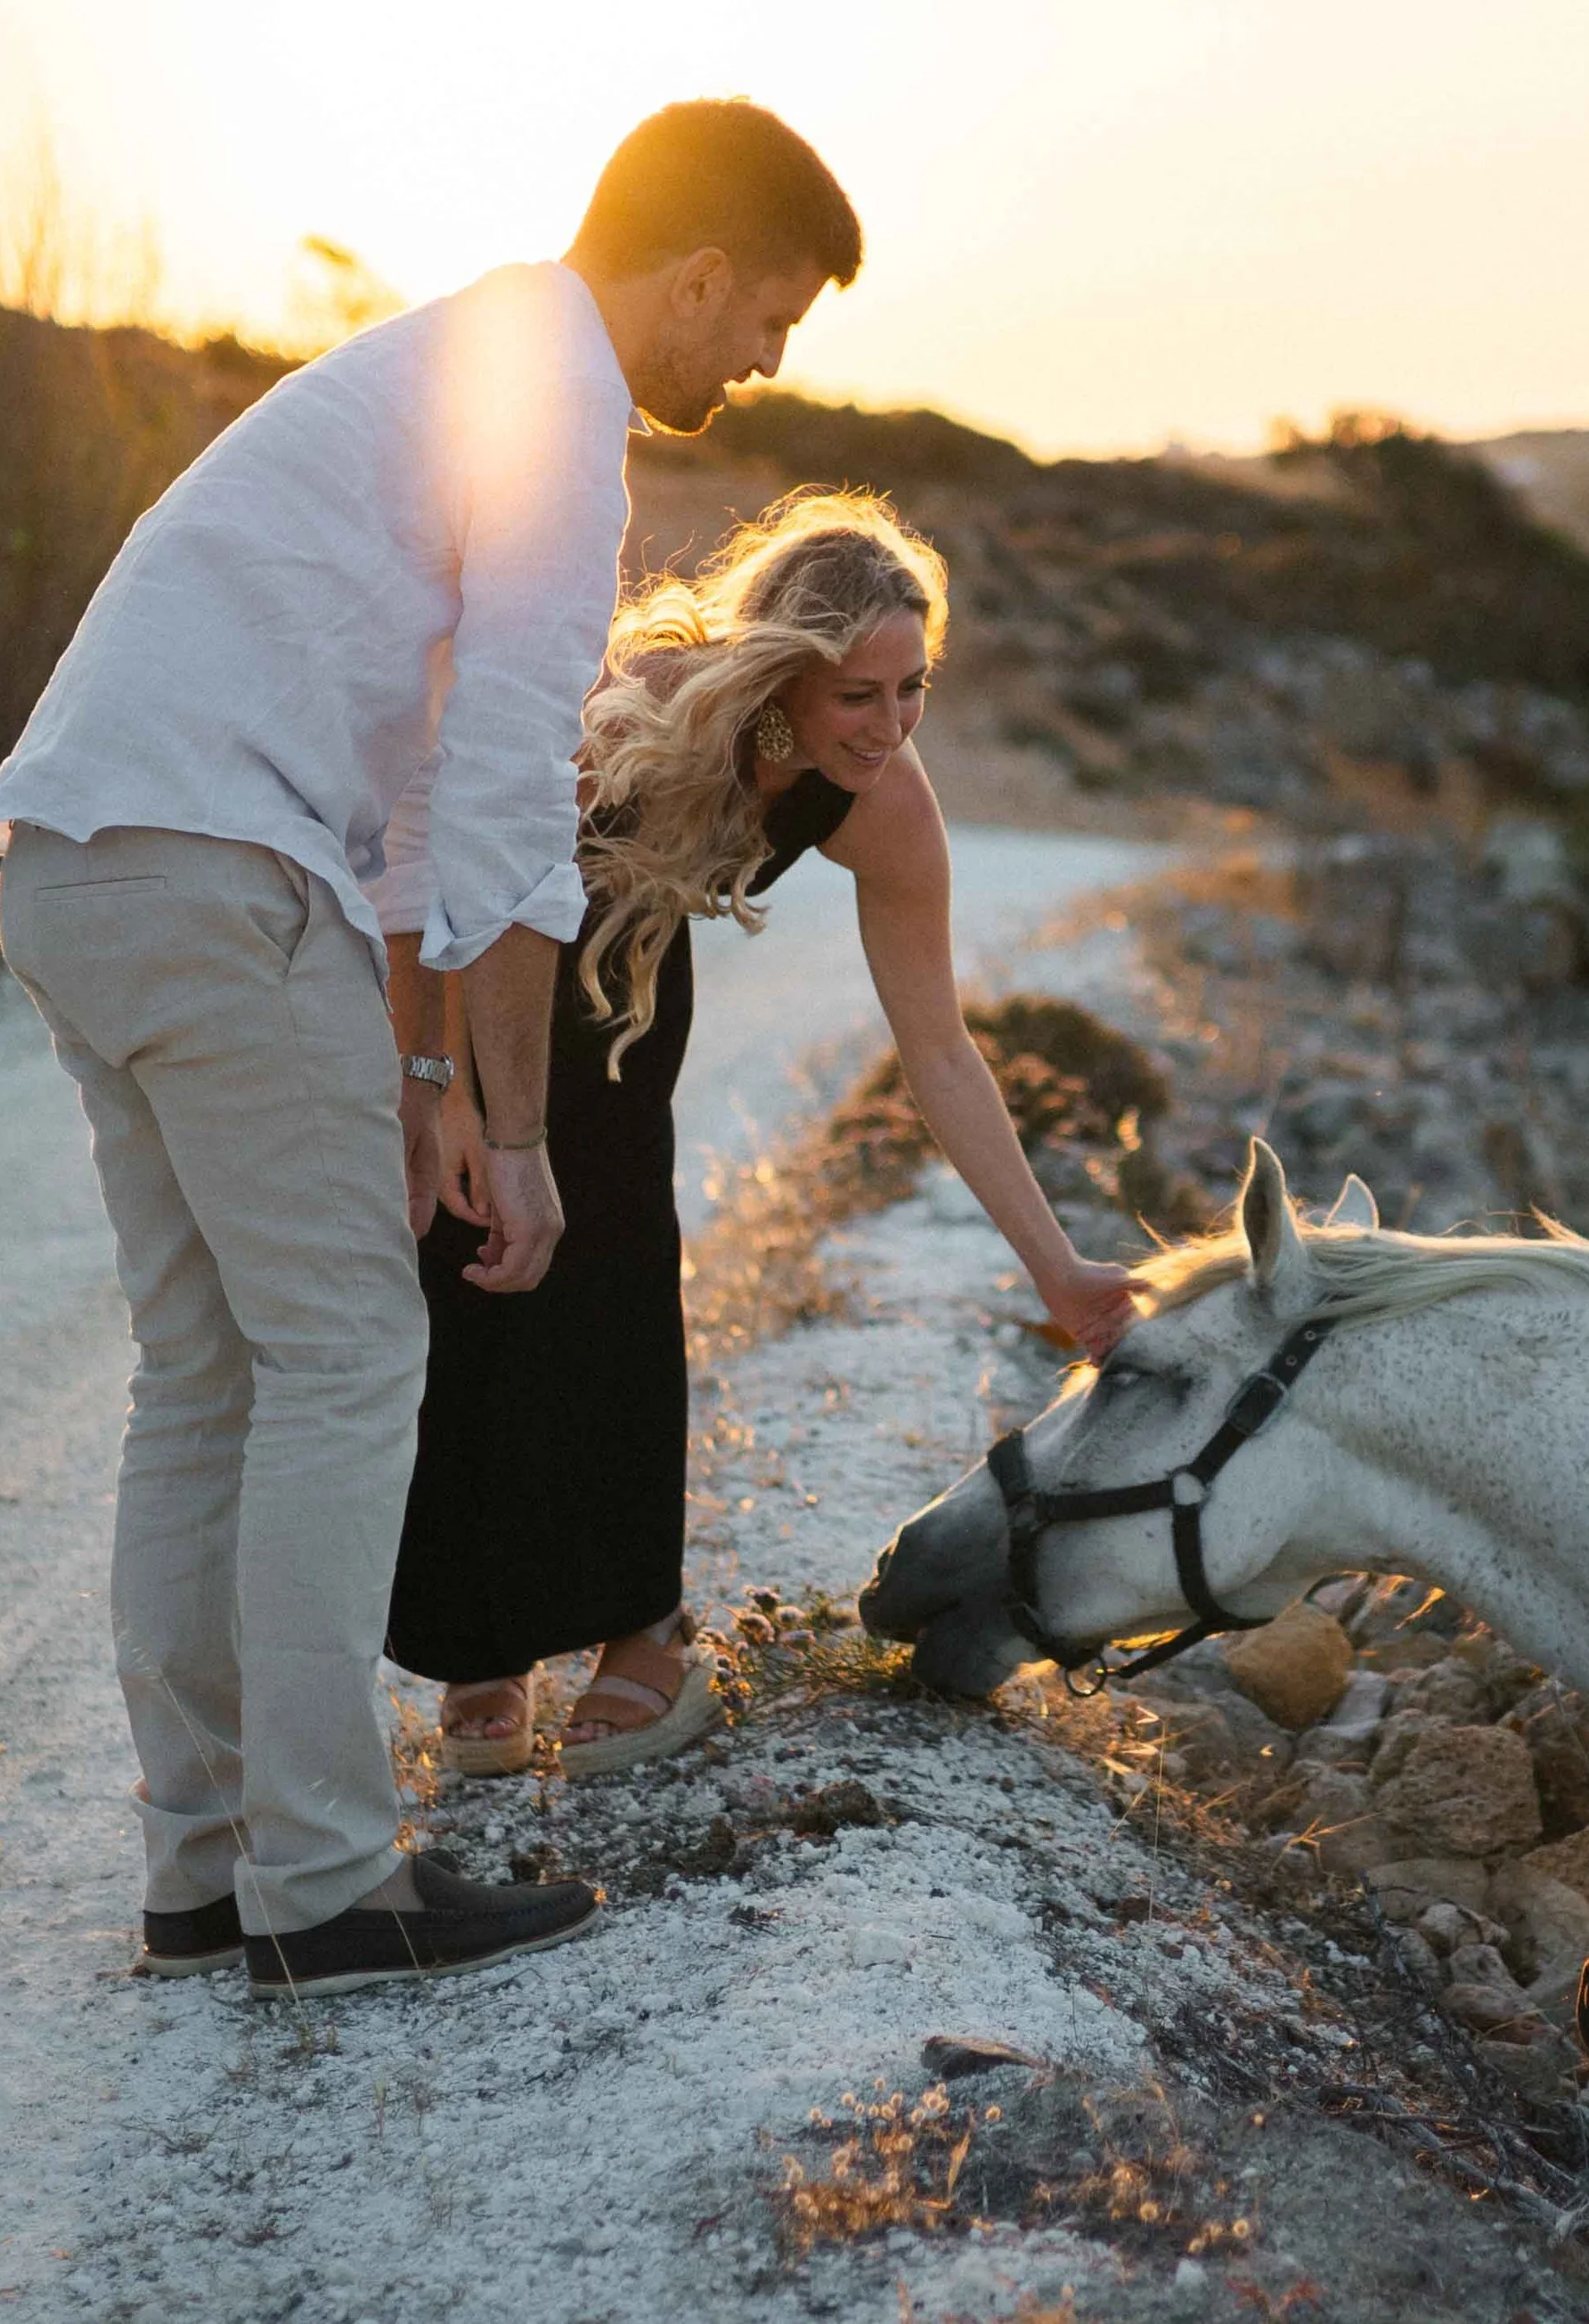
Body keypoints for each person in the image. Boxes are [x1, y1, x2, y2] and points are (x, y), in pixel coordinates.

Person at [0, 99, 861, 1993]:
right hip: (217, 876)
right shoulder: (548, 409)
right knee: (348, 1353)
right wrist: (520, 1140)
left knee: (205, 1370)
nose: (767, 356)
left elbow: (403, 808)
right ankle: (324, 1881)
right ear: (697, 274)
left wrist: (434, 1082)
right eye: (768, 313)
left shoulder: (441, 365)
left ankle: (206, 1869)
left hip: (77, 864)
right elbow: (499, 810)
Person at [384, 490, 1140, 1774]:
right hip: (467, 977)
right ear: (782, 678)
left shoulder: (883, 800)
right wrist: (444, 1091)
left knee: (618, 1279)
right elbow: (443, 864)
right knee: (463, 1291)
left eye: (917, 688)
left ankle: (639, 1634)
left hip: (621, 1004)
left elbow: (940, 1050)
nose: (894, 726)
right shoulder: (628, 707)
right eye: (863, 695)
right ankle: (481, 1650)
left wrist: (1056, 1268)